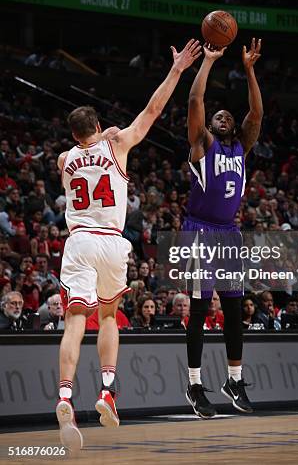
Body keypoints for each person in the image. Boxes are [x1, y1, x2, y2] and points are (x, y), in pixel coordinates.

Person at [55, 39, 201, 453]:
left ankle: (64, 397)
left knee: (74, 323)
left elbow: (74, 153)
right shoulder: (117, 144)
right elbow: (152, 110)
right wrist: (176, 69)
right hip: (112, 244)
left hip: (79, 241)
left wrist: (94, 137)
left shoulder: (64, 159)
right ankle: (107, 392)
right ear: (100, 126)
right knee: (107, 318)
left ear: (73, 133)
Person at [183, 38, 263, 417]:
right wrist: (209, 62)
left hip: (229, 233)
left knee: (233, 308)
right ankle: (195, 385)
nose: (224, 116)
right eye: (219, 115)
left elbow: (257, 114)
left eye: (229, 116)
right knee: (200, 308)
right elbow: (195, 102)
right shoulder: (203, 147)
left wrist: (249, 70)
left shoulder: (241, 149)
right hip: (199, 230)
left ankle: (233, 379)